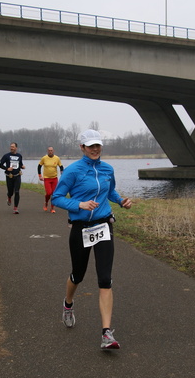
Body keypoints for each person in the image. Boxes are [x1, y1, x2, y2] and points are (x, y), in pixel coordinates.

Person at [51, 129, 132, 350]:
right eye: (90, 146)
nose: (95, 149)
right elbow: (57, 198)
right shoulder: (73, 171)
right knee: (78, 274)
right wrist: (80, 204)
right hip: (81, 228)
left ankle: (107, 334)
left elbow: (110, 191)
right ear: (82, 148)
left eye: (98, 145)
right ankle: (68, 304)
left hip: (104, 225)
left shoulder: (107, 169)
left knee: (105, 278)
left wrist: (120, 201)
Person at [0, 142, 26, 214]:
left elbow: (20, 164)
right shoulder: (6, 156)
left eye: (13, 147)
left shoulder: (19, 156)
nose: (11, 148)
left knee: (17, 191)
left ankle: (15, 208)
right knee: (10, 192)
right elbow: (0, 165)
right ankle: (9, 197)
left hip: (17, 175)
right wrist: (7, 168)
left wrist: (22, 167)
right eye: (11, 147)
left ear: (16, 148)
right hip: (9, 176)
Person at [37, 146, 63, 213]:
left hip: (54, 178)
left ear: (53, 151)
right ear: (47, 151)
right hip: (47, 178)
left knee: (54, 194)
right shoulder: (44, 158)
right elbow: (39, 166)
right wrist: (40, 175)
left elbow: (61, 166)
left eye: (51, 150)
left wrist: (62, 173)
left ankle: (52, 208)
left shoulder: (57, 158)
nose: (50, 152)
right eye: (49, 150)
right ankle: (46, 203)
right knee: (48, 193)